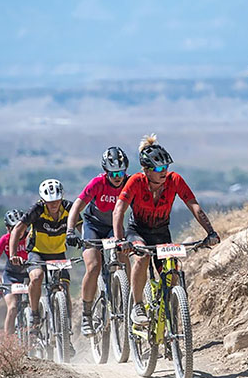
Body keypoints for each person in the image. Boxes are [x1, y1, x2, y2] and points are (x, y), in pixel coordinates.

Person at [112, 134, 220, 326]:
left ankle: (170, 315)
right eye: (159, 168)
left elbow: (194, 206)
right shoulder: (136, 182)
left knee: (171, 274)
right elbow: (118, 210)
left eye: (166, 167)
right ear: (146, 170)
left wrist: (210, 232)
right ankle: (137, 305)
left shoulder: (174, 180)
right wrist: (120, 240)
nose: (164, 172)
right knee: (142, 257)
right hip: (138, 231)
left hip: (161, 232)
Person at [8, 178, 77, 356]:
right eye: (50, 202)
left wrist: (84, 242)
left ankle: (66, 332)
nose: (54, 205)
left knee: (65, 288)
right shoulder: (37, 210)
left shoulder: (69, 208)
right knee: (37, 277)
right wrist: (13, 254)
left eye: (57, 201)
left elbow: (82, 225)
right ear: (43, 200)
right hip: (37, 252)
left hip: (58, 253)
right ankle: (35, 314)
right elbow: (17, 230)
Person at [66, 146, 130, 336]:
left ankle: (130, 300)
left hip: (113, 226)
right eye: (113, 173)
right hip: (93, 226)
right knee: (93, 267)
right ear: (105, 171)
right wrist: (70, 230)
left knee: (124, 255)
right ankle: (86, 315)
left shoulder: (128, 182)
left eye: (121, 172)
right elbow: (77, 206)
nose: (118, 177)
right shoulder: (97, 183)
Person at [0, 209, 28, 334]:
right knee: (13, 307)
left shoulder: (30, 236)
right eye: (13, 228)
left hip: (27, 274)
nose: (18, 232)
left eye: (20, 228)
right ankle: (8, 343)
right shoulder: (4, 239)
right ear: (8, 229)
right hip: (11, 276)